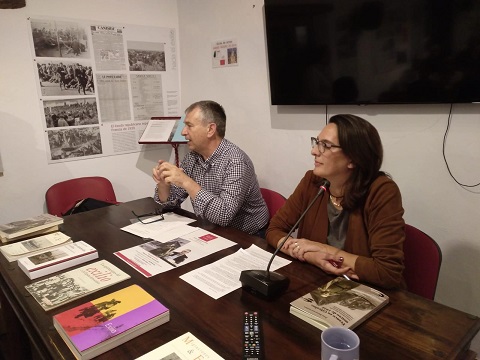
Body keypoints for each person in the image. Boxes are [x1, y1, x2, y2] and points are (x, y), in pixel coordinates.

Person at [266, 114, 405, 289]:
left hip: (366, 292)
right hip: (317, 283)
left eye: (326, 145)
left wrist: (323, 249)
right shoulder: (313, 181)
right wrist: (310, 256)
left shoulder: (382, 191)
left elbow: (387, 272)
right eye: (316, 142)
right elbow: (274, 230)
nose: (314, 151)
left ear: (353, 158)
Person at [152, 100, 269, 236]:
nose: (183, 132)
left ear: (210, 130)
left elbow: (223, 216)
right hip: (212, 230)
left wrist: (186, 182)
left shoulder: (236, 162)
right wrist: (163, 184)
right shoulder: (192, 157)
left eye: (189, 126)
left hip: (248, 234)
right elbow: (170, 205)